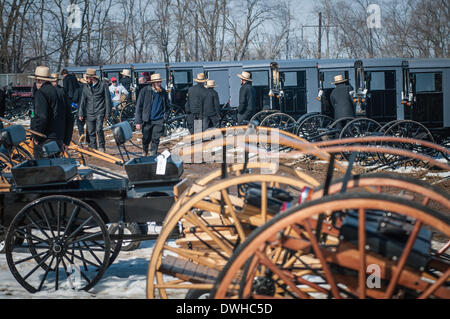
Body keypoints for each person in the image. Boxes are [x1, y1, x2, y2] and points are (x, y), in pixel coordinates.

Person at [28, 66, 67, 158]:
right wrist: (66, 139)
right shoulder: (59, 92)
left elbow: (42, 117)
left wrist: (37, 136)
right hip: (58, 138)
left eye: (36, 80)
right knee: (54, 168)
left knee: (43, 169)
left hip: (45, 138)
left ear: (39, 80)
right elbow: (68, 116)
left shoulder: (41, 93)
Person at [78, 68, 112, 152]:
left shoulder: (103, 86)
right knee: (90, 131)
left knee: (99, 129)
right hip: (89, 112)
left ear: (92, 78)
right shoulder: (85, 87)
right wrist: (80, 113)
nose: (86, 80)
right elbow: (83, 101)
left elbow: (108, 100)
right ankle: (93, 148)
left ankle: (101, 147)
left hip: (100, 111)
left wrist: (107, 114)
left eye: (87, 78)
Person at [135, 73, 168, 156]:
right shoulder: (145, 91)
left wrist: (165, 117)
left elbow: (168, 106)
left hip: (159, 119)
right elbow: (139, 106)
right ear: (153, 83)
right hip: (147, 119)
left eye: (160, 82)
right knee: (146, 138)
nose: (159, 84)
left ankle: (153, 153)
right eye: (157, 82)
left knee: (155, 138)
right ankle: (145, 151)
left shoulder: (163, 92)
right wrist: (138, 121)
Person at [61, 68, 88, 144]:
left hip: (73, 99)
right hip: (89, 108)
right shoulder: (88, 89)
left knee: (79, 123)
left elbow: (66, 89)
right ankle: (88, 138)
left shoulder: (66, 79)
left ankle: (82, 133)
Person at [51, 73, 74, 151]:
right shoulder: (56, 90)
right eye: (53, 80)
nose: (55, 82)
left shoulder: (61, 90)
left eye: (55, 80)